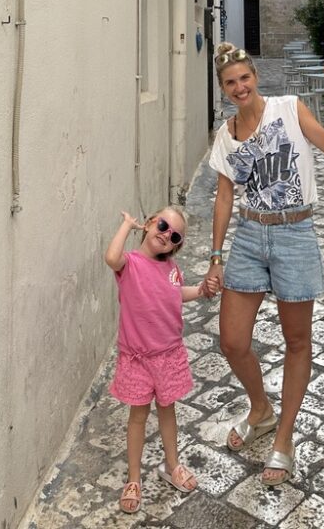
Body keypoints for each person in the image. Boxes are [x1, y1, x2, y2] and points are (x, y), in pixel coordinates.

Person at [206, 43, 324, 486]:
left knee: (297, 341)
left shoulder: (289, 108)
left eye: (244, 78)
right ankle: (260, 409)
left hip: (295, 233)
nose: (239, 87)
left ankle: (284, 437)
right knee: (232, 341)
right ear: (223, 89)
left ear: (255, 77)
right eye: (230, 82)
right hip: (249, 235)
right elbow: (224, 197)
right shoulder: (226, 136)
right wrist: (215, 256)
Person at [105, 206, 218, 514]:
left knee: (168, 412)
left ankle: (172, 464)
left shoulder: (171, 269)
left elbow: (175, 294)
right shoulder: (130, 263)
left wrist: (200, 290)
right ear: (150, 223)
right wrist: (126, 225)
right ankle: (133, 478)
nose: (167, 235)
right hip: (138, 358)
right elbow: (111, 258)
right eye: (164, 226)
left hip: (168, 355)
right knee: (138, 417)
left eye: (175, 236)